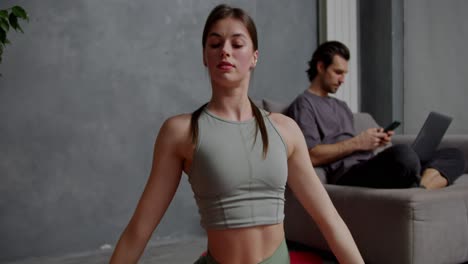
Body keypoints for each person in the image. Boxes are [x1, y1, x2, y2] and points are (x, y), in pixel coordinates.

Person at [109, 5, 364, 264]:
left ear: (254, 57)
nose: (225, 51)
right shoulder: (180, 132)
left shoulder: (285, 130)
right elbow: (139, 230)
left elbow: (329, 221)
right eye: (215, 43)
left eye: (237, 44)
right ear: (204, 56)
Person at [286, 40, 465, 189]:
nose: (342, 80)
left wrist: (373, 142)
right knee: (404, 155)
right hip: (349, 174)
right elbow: (311, 155)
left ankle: (420, 187)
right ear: (320, 67)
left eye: (345, 74)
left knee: (455, 155)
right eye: (338, 72)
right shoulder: (304, 104)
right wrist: (358, 142)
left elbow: (355, 146)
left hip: (370, 164)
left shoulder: (341, 106)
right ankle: (417, 180)